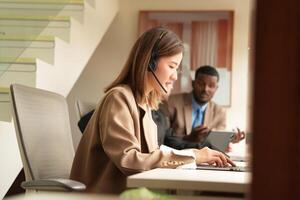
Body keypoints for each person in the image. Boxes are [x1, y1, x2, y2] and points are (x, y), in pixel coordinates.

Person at [70, 27, 234, 194]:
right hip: (107, 194)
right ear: (150, 62)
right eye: (172, 66)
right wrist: (193, 156)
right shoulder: (119, 98)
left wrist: (194, 154)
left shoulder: (145, 103)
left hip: (133, 192)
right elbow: (129, 160)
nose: (175, 76)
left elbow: (150, 156)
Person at [160, 65, 245, 150]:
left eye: (211, 86)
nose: (205, 89)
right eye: (201, 84)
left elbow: (215, 142)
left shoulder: (220, 112)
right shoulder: (171, 102)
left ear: (216, 88)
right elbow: (162, 138)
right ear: (193, 83)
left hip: (205, 160)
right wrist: (187, 138)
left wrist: (229, 140)